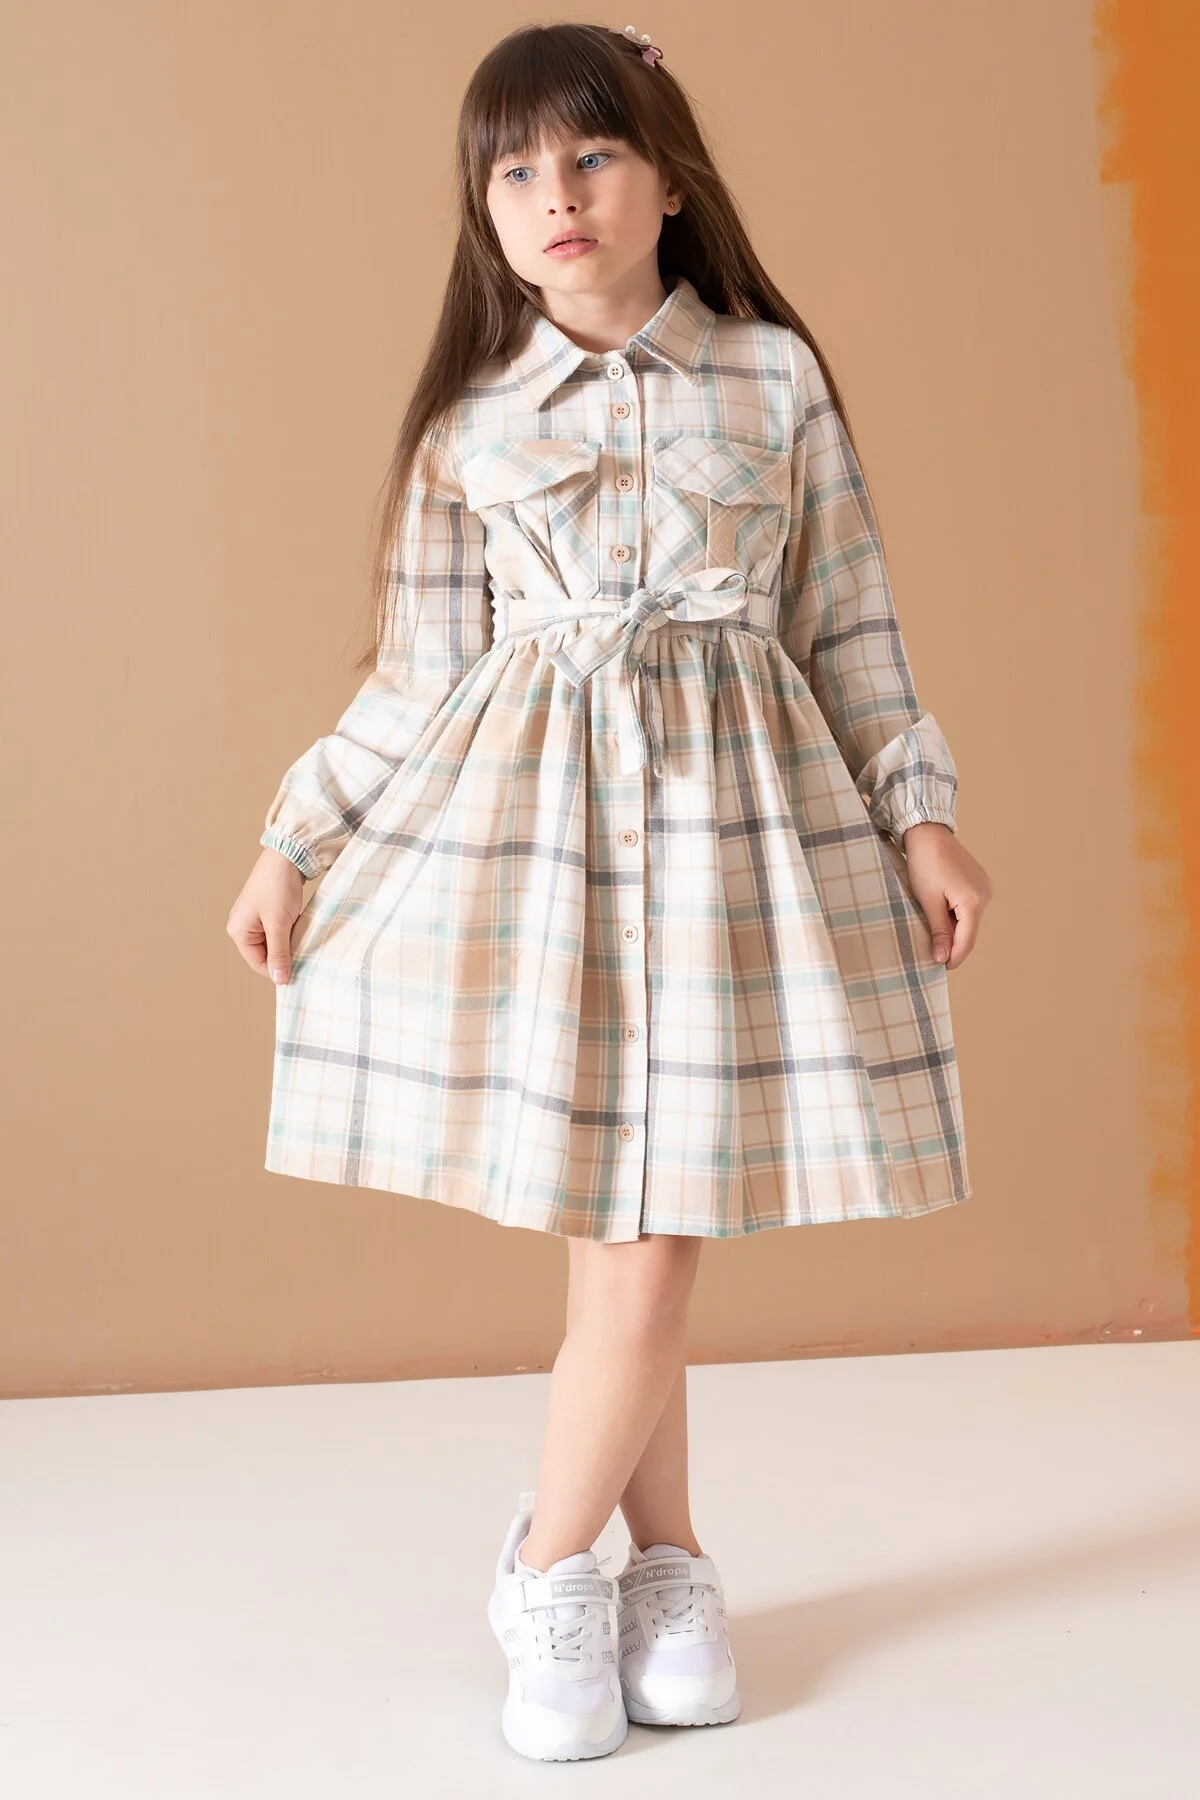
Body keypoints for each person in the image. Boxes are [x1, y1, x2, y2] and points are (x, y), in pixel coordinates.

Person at [226, 19, 993, 1765]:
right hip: (545, 866)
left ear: (668, 181)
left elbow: (848, 625)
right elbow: (416, 675)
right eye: (514, 170)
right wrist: (296, 837)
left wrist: (921, 816)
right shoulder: (470, 426)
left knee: (646, 1245)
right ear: (483, 213)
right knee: (623, 1244)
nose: (554, 194)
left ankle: (549, 1562)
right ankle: (656, 1570)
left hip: (732, 862)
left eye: (590, 155)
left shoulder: (772, 380)